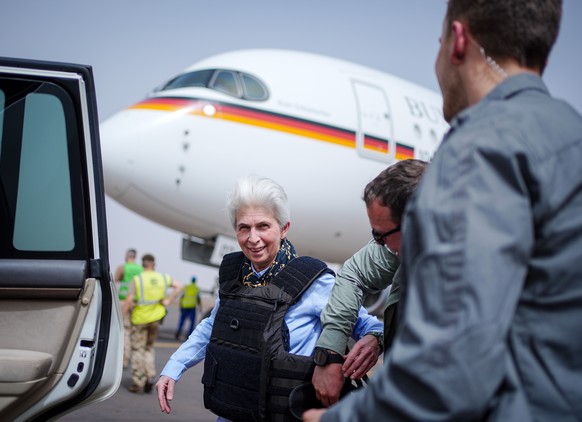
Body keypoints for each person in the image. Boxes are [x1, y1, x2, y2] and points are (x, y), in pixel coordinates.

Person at [304, 0, 582, 420]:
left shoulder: (478, 151)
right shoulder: (570, 136)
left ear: (457, 41)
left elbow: (450, 363)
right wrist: (380, 336)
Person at [156, 175, 383, 421]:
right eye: (244, 228)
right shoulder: (234, 276)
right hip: (233, 413)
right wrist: (173, 368)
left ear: (283, 228)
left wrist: (372, 340)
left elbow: (368, 325)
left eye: (263, 226)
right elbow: (212, 325)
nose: (253, 239)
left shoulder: (313, 282)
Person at [312, 159, 428, 407]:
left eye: (380, 234)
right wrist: (331, 352)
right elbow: (354, 274)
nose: (378, 244)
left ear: (415, 222)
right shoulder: (400, 245)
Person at [122, 254, 182, 394]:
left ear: (143, 265)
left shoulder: (138, 279)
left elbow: (129, 300)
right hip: (156, 318)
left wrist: (121, 317)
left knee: (138, 349)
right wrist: (168, 300)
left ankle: (138, 381)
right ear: (154, 264)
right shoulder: (163, 277)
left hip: (140, 319)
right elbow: (179, 286)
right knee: (149, 348)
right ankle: (150, 375)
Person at [114, 248, 144, 368]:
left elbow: (115, 282)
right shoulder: (141, 269)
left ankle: (124, 359)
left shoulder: (123, 268)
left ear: (127, 256)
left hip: (124, 301)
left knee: (125, 330)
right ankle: (134, 357)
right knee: (135, 331)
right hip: (137, 303)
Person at [175, 276, 201, 340]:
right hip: (192, 307)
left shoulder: (187, 286)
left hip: (185, 306)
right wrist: (200, 307)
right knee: (192, 322)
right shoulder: (197, 288)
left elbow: (182, 297)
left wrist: (180, 305)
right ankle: (189, 335)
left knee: (182, 320)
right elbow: (198, 299)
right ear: (195, 281)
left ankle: (178, 331)